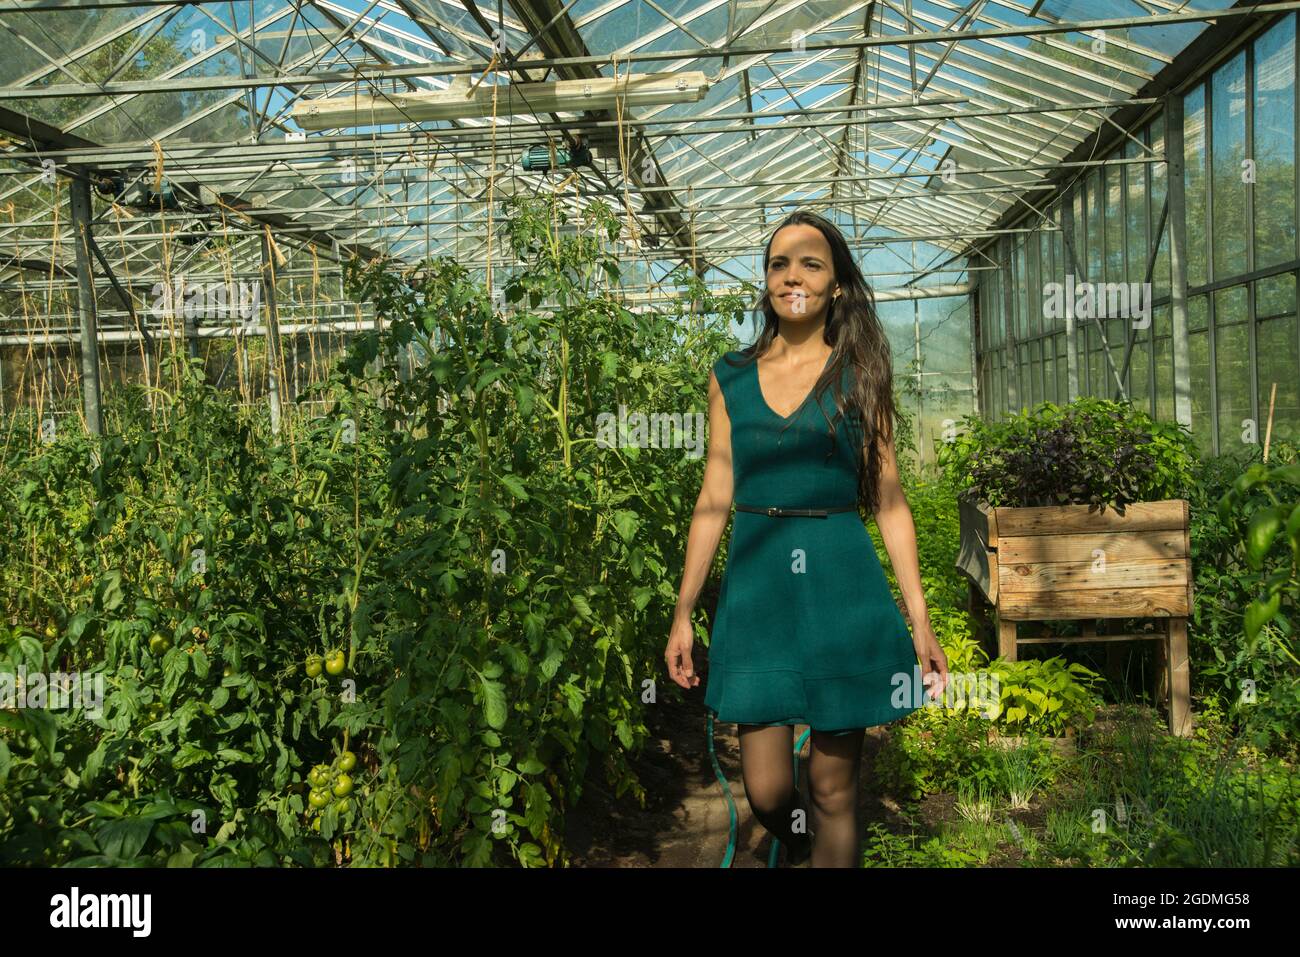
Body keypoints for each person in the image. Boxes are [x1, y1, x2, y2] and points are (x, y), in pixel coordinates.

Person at [665, 209, 950, 868]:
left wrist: (921, 618)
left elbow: (889, 499)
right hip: (759, 590)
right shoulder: (729, 375)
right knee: (766, 790)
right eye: (778, 263)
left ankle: (827, 848)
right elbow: (713, 499)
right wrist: (683, 611)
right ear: (766, 281)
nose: (792, 275)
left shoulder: (862, 372)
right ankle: (804, 847)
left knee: (831, 786)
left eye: (810, 263)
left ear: (838, 285)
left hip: (840, 587)